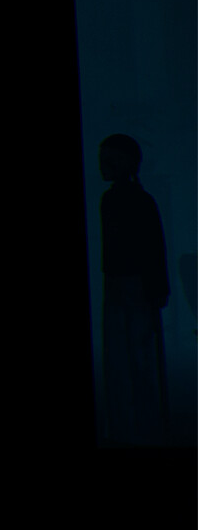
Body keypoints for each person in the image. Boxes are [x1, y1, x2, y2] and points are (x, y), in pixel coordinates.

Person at [97, 133, 169, 446]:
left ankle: (140, 429)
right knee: (127, 359)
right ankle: (134, 428)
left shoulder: (135, 201)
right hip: (123, 287)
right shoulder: (117, 200)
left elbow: (153, 248)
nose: (102, 166)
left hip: (133, 287)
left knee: (136, 359)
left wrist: (156, 289)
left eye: (109, 159)